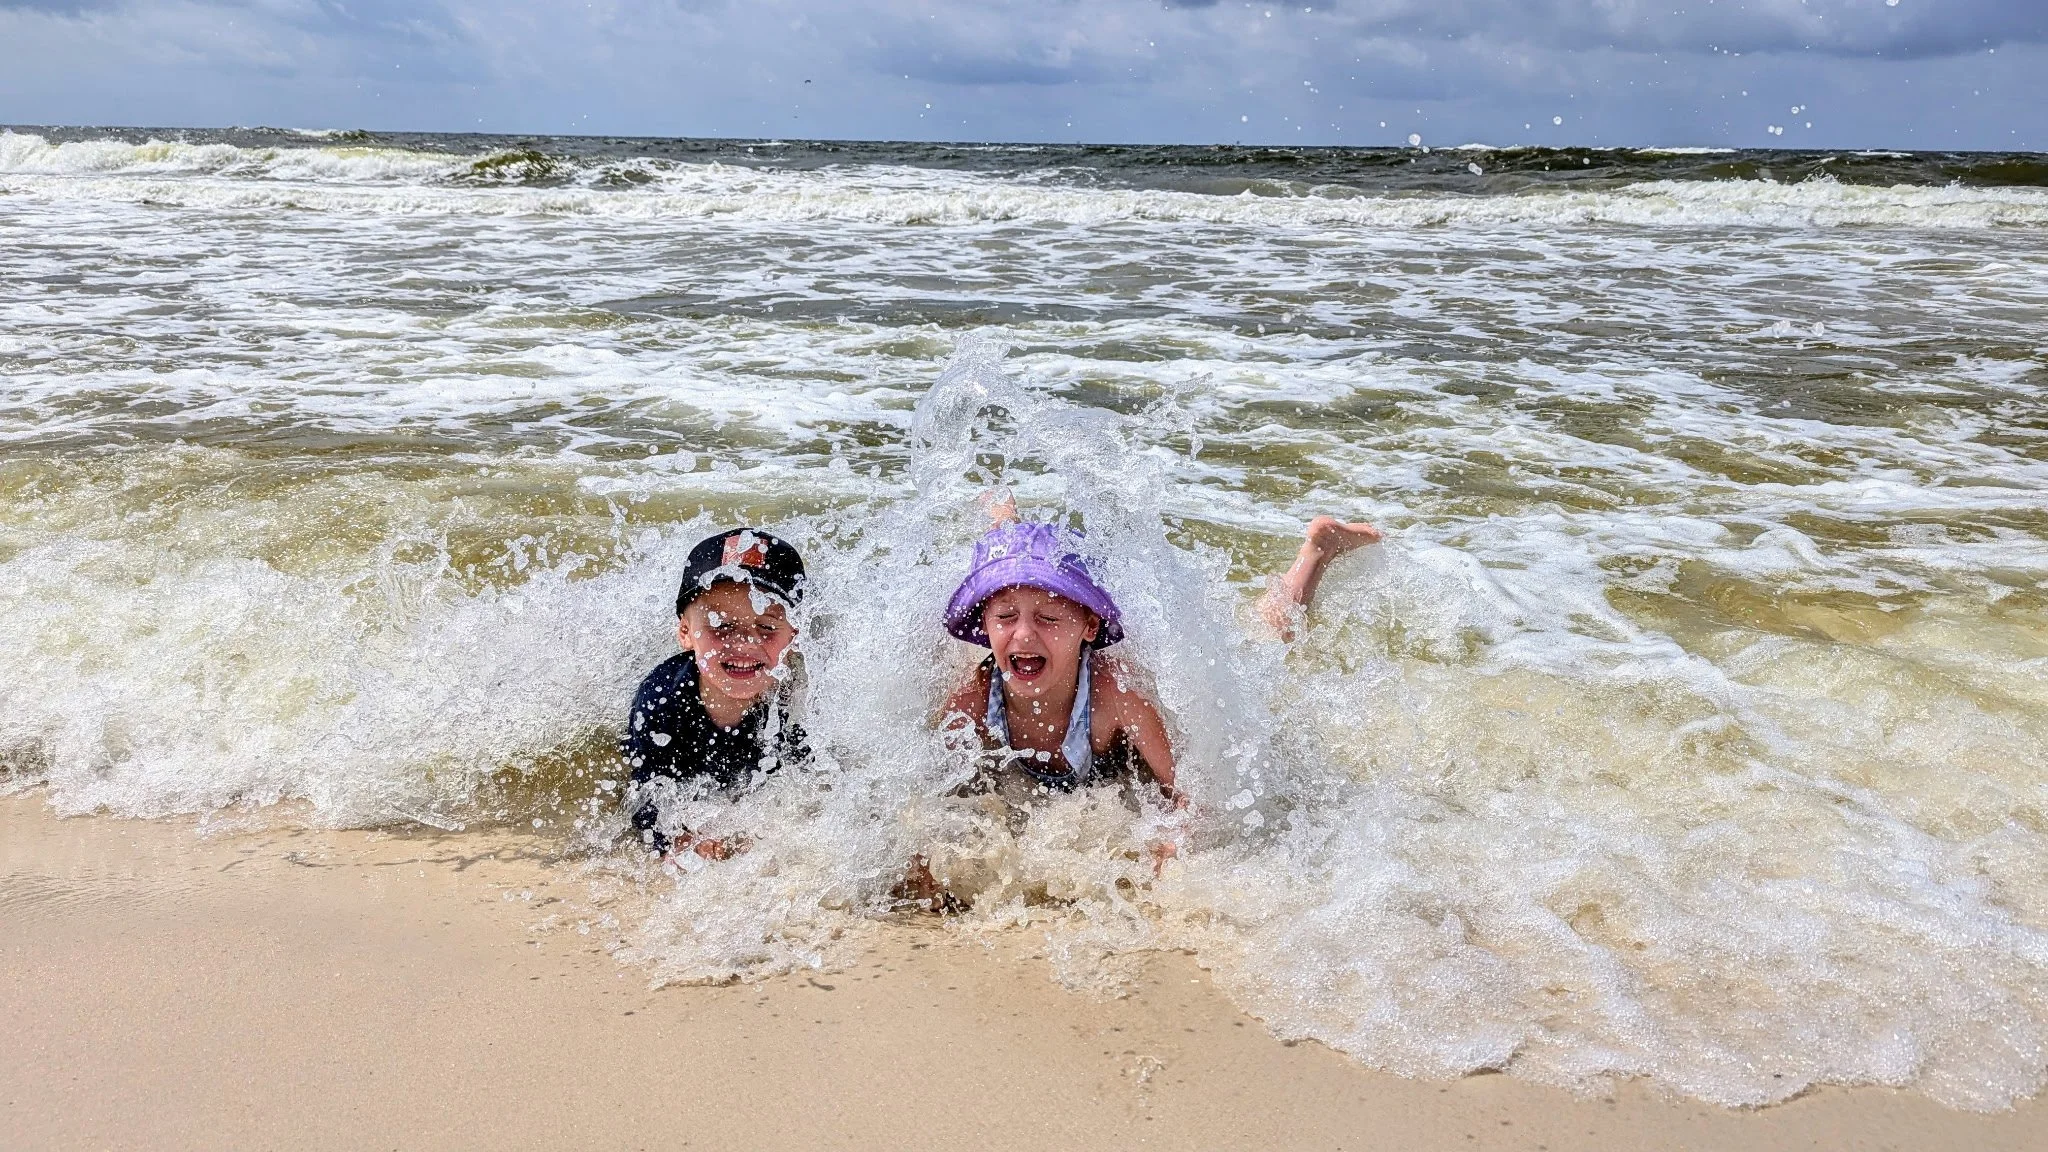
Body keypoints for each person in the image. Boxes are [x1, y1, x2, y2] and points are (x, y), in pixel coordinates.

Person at [937, 509, 1382, 806]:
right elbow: (926, 791)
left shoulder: (1116, 695)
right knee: (1015, 568)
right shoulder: (975, 697)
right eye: (1005, 616)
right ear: (985, 622)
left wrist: (1173, 844)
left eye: (1050, 618)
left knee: (1263, 643)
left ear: (1090, 627)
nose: (1024, 634)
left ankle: (1317, 552)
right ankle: (1004, 522)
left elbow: (1190, 790)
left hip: (1141, 701)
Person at [620, 528, 807, 861]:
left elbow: (813, 791)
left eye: (766, 628)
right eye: (721, 626)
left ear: (795, 637)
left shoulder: (801, 703)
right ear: (685, 633)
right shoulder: (660, 700)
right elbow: (645, 799)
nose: (745, 644)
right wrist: (676, 840)